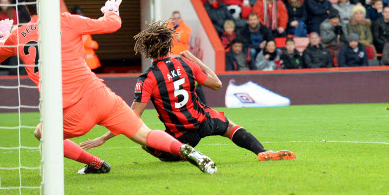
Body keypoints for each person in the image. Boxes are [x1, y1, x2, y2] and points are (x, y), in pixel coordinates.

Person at [0, 0, 217, 174]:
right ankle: (189, 152)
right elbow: (113, 25)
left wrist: (1, 38)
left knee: (42, 132)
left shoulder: (17, 35)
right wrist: (111, 11)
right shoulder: (67, 20)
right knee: (145, 134)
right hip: (100, 96)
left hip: (69, 111)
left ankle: (96, 164)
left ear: (27, 8)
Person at [82, 21, 294, 162]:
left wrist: (103, 138)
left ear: (147, 50)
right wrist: (193, 58)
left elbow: (131, 116)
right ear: (168, 45)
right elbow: (216, 84)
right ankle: (262, 151)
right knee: (230, 127)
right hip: (204, 120)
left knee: (147, 144)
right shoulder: (185, 64)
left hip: (180, 134)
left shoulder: (147, 78)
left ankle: (189, 155)